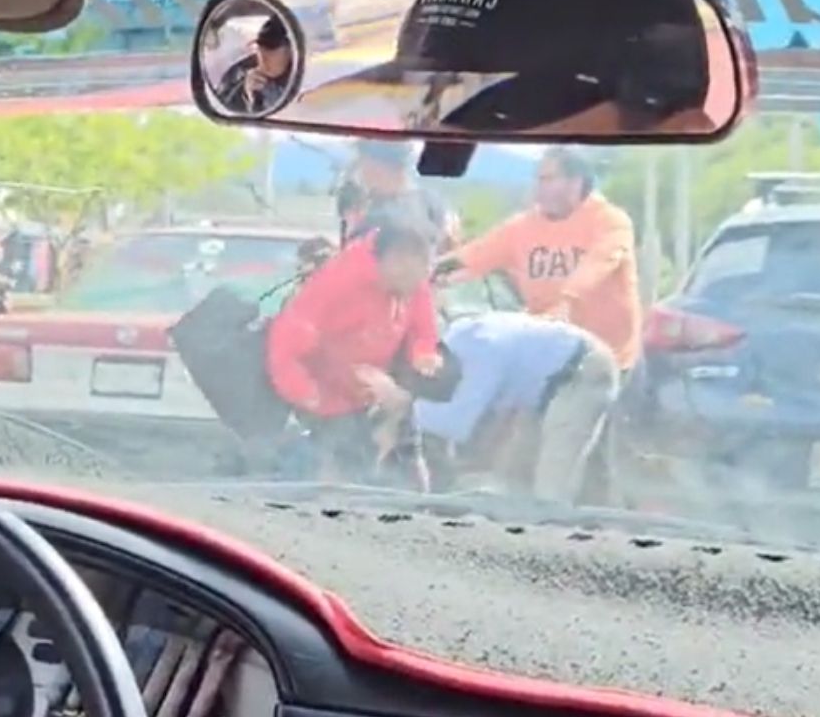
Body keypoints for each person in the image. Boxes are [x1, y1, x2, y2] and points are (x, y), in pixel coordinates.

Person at [266, 211, 442, 489]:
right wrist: (311, 397)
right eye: (419, 273)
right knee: (343, 459)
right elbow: (284, 349)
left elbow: (424, 327)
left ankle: (418, 505)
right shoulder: (338, 285)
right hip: (326, 387)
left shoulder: (414, 280)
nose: (422, 283)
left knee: (407, 449)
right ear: (394, 261)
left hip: (374, 381)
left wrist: (423, 354)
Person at [438, 145, 642, 373]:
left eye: (548, 180)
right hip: (551, 353)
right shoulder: (522, 227)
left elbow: (599, 263)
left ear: (576, 182)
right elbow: (475, 254)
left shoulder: (610, 221)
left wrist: (566, 302)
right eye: (538, 180)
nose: (539, 189)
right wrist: (428, 272)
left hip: (607, 359)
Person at [415, 311, 619, 504]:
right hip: (545, 381)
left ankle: (553, 530)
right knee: (517, 477)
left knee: (553, 480)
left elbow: (451, 426)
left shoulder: (477, 353)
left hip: (582, 369)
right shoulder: (460, 336)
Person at [342, 139, 461, 252]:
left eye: (363, 163)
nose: (362, 173)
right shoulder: (434, 203)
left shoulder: (373, 220)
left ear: (377, 166)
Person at [217, 16, 293, 114]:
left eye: (272, 51)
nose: (263, 59)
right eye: (259, 49)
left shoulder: (303, 75)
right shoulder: (240, 70)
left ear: (291, 51)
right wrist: (244, 92)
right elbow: (220, 106)